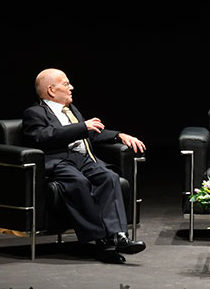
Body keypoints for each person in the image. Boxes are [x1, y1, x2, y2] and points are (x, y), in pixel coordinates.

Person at [22, 68, 147, 264]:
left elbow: (91, 133)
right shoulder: (35, 112)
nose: (71, 87)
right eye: (65, 84)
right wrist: (82, 127)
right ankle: (103, 241)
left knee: (109, 177)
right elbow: (42, 136)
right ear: (51, 90)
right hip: (59, 161)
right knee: (78, 182)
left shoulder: (72, 110)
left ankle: (119, 236)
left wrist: (118, 135)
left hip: (82, 159)